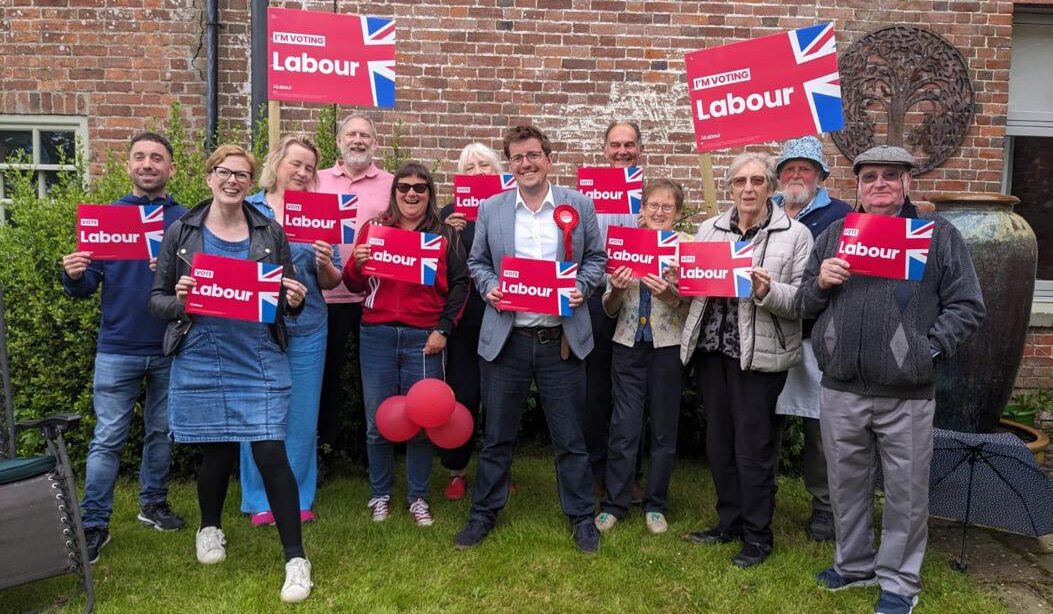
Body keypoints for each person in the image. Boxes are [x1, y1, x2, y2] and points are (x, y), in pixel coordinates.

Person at [799, 145, 984, 614]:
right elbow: (803, 305)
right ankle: (853, 564)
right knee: (846, 484)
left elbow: (967, 306)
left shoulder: (936, 236)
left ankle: (900, 582)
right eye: (869, 177)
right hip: (842, 386)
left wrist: (930, 351)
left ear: (907, 184)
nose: (879, 184)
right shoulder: (837, 235)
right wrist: (821, 282)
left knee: (905, 491)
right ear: (857, 186)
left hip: (907, 391)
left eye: (890, 176)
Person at [149, 144, 313, 603]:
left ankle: (296, 559)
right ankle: (210, 526)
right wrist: (181, 298)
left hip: (257, 354)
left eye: (242, 174)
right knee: (216, 454)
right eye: (225, 172)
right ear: (209, 177)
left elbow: (280, 302)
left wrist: (293, 300)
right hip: (201, 351)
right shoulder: (182, 231)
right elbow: (157, 301)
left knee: (269, 454)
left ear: (251, 181)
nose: (233, 180)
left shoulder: (268, 232)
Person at [454, 125, 607, 553]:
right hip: (509, 339)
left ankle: (581, 518)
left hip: (560, 338)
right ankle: (483, 513)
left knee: (570, 438)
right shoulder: (492, 208)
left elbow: (596, 258)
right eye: (518, 157)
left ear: (549, 158)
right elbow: (478, 262)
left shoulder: (578, 205)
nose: (527, 163)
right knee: (498, 435)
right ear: (510, 165)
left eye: (534, 155)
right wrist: (489, 288)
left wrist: (583, 286)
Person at [679, 152, 812, 569]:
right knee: (719, 444)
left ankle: (758, 536)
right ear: (730, 188)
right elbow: (695, 288)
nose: (748, 189)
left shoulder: (795, 234)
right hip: (712, 352)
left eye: (757, 180)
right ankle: (728, 522)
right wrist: (679, 279)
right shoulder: (709, 229)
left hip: (759, 358)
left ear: (771, 187)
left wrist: (766, 290)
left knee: (754, 448)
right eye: (740, 181)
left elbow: (803, 302)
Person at [60, 132, 188, 564]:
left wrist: (171, 272)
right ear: (128, 165)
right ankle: (94, 523)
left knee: (161, 433)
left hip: (170, 344)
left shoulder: (185, 221)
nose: (148, 164)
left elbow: (201, 284)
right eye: (140, 157)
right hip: (117, 346)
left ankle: (152, 504)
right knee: (107, 437)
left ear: (171, 168)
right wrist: (75, 275)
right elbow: (87, 285)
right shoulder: (107, 218)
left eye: (157, 158)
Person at [343, 161, 468, 526]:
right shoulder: (374, 229)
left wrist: (443, 329)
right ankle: (380, 494)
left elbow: (461, 286)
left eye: (420, 187)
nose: (411, 193)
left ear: (430, 194)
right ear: (394, 192)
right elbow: (353, 285)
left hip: (424, 337)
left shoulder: (444, 235)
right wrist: (357, 264)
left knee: (422, 421)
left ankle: (417, 497)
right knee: (376, 421)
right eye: (404, 187)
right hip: (377, 335)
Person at [239, 135, 343, 527]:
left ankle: (298, 497)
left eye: (309, 168)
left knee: (300, 416)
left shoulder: (318, 212)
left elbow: (331, 281)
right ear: (277, 163)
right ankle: (258, 498)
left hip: (309, 326)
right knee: (257, 415)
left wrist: (324, 263)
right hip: (256, 328)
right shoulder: (248, 209)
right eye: (295, 163)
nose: (301, 172)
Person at [594, 178, 689, 535]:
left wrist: (671, 296)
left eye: (667, 207)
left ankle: (655, 504)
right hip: (627, 344)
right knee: (624, 426)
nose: (659, 212)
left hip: (668, 346)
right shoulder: (624, 244)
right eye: (653, 205)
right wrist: (616, 289)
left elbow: (694, 306)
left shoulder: (686, 248)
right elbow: (608, 306)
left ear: (678, 213)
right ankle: (616, 503)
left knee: (664, 428)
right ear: (642, 209)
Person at [770, 135, 853, 542]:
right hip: (769, 333)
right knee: (763, 421)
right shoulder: (763, 210)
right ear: (779, 177)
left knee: (822, 431)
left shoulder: (841, 215)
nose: (797, 175)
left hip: (817, 338)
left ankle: (824, 506)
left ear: (820, 176)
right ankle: (759, 495)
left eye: (805, 169)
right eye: (789, 169)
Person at [316, 114, 395, 467]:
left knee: (373, 381)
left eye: (365, 135)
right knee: (325, 377)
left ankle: (373, 454)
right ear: (338, 141)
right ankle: (325, 450)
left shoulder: (392, 184)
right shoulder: (315, 181)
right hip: (325, 297)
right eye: (351, 134)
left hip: (371, 296)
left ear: (374, 142)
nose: (358, 140)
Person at [439, 142, 504, 501]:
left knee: (499, 399)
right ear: (459, 177)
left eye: (484, 166)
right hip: (463, 321)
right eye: (469, 168)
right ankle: (456, 470)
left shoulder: (513, 209)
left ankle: (497, 471)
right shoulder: (448, 214)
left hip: (503, 316)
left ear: (497, 172)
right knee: (462, 396)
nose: (478, 173)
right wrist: (445, 235)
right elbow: (433, 270)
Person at [584, 121, 644, 498]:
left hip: (638, 303)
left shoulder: (651, 195)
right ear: (605, 150)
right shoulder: (586, 196)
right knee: (594, 393)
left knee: (631, 396)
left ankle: (628, 473)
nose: (622, 151)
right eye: (615, 145)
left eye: (629, 145)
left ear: (640, 148)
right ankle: (593, 471)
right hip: (596, 300)